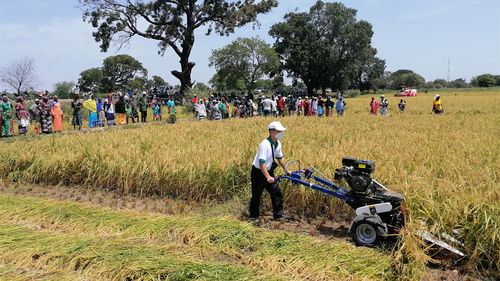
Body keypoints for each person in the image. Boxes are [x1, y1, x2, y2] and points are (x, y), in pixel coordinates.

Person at [249, 121, 292, 221]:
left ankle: (278, 215)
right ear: (271, 131)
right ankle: (253, 216)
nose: (281, 133)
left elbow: (280, 158)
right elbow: (261, 163)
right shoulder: (265, 144)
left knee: (276, 192)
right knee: (256, 195)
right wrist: (268, 177)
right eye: (279, 131)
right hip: (259, 172)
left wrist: (286, 170)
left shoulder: (277, 144)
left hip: (269, 171)